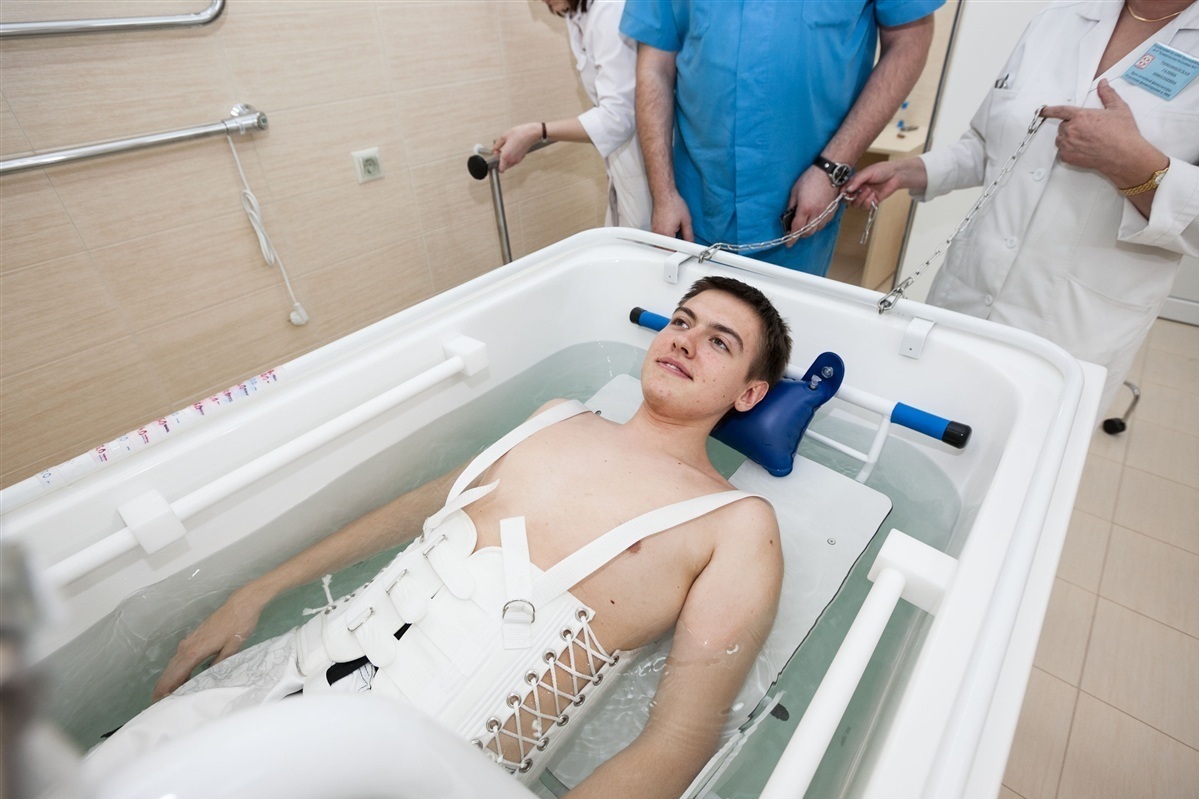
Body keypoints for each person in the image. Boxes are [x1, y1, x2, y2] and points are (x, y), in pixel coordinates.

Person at [84, 276, 791, 799]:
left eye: (717, 341)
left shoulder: (734, 524)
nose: (683, 340)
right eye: (681, 321)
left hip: (414, 772)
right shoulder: (556, 417)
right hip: (286, 668)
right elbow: (414, 511)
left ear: (749, 394)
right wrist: (259, 589)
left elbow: (680, 738)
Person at [846, 1, 1199, 416]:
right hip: (966, 297)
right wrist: (914, 170)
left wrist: (1135, 165)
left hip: (1073, 328)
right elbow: (987, 144)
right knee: (921, 427)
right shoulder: (1056, 22)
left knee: (1022, 446)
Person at [620, 0, 943, 274]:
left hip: (801, 209)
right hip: (695, 203)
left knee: (786, 324)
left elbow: (910, 40)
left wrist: (832, 166)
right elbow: (655, 66)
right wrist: (663, 193)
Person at [494, 0, 652, 230]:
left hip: (643, 162)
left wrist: (537, 131)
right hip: (623, 163)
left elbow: (618, 118)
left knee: (644, 243)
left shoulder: (609, 10)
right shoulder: (577, 16)